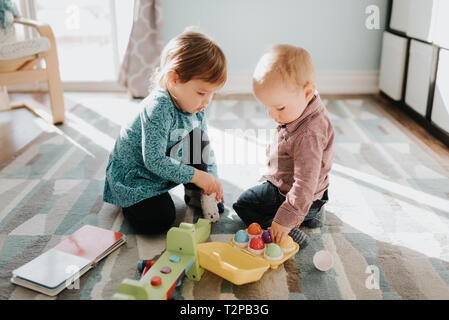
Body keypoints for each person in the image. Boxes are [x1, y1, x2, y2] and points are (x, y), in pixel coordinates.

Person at [103, 28, 226, 234]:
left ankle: (195, 193)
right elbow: (153, 160)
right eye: (202, 92)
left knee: (198, 138)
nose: (206, 101)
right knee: (158, 221)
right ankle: (128, 203)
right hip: (138, 176)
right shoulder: (158, 106)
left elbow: (204, 146)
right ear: (174, 79)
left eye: (212, 94)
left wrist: (210, 181)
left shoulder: (197, 106)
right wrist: (197, 175)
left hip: (166, 165)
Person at [233, 44, 335, 249]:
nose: (271, 114)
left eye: (279, 107)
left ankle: (290, 227)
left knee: (243, 204)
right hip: (315, 196)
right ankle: (308, 214)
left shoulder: (309, 134)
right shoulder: (304, 104)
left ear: (307, 93)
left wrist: (284, 220)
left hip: (292, 194)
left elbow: (304, 183)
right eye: (267, 107)